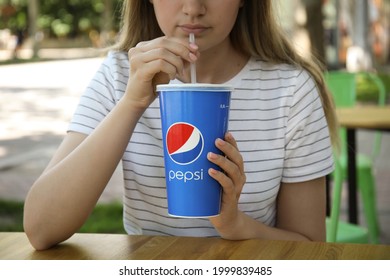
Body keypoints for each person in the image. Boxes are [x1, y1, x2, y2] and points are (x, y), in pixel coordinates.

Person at [24, 0, 338, 250]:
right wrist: (133, 102)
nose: (193, 8)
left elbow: (311, 248)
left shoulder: (292, 89)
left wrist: (237, 226)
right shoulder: (120, 75)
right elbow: (41, 229)